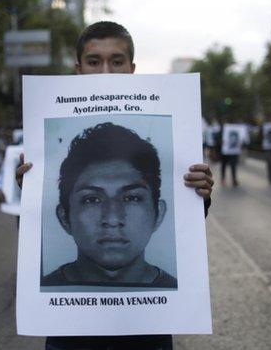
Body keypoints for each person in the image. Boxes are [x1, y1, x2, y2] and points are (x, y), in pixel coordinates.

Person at [37, 21, 214, 350]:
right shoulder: (47, 293)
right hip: (69, 336)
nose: (112, 218)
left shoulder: (171, 292)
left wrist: (198, 193)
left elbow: (190, 220)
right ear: (64, 216)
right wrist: (29, 188)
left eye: (116, 61)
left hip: (149, 334)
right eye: (93, 61)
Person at [42, 122, 175, 288]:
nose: (112, 219)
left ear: (158, 214)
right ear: (65, 217)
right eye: (92, 200)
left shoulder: (183, 297)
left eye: (132, 198)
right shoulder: (41, 297)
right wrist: (27, 192)